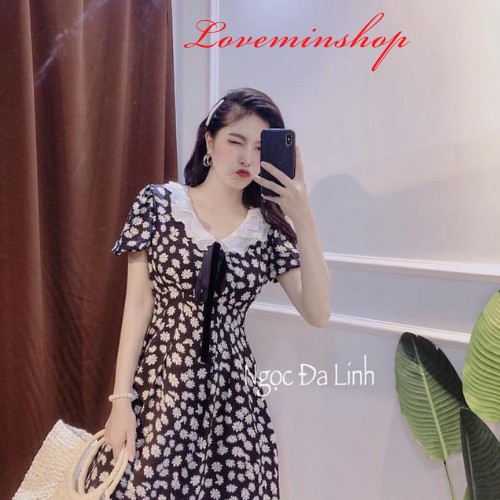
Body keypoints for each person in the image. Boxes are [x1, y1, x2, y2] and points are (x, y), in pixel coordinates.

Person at [84, 87, 331, 499]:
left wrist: (303, 217)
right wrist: (121, 400)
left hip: (233, 402)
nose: (247, 158)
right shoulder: (158, 205)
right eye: (236, 141)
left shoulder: (267, 229)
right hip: (160, 388)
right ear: (210, 142)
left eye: (259, 148)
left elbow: (319, 313)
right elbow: (138, 307)